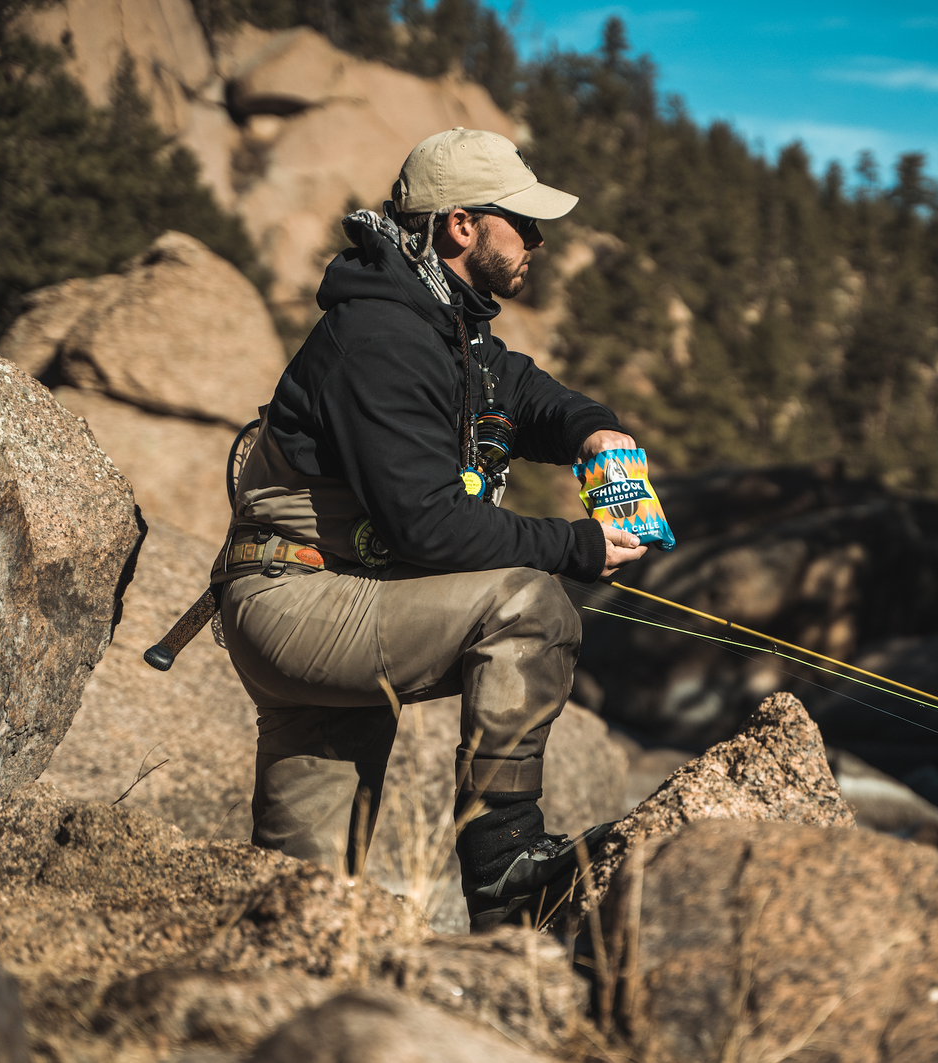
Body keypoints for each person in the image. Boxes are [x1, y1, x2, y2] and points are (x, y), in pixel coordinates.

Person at [212, 127, 646, 931]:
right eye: (524, 221)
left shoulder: (446, 321)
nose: (539, 239)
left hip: (335, 595)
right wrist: (576, 547)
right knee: (530, 606)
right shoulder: (380, 338)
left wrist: (592, 428)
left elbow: (517, 389)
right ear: (461, 225)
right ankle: (506, 865)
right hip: (298, 600)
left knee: (302, 901)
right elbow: (429, 526)